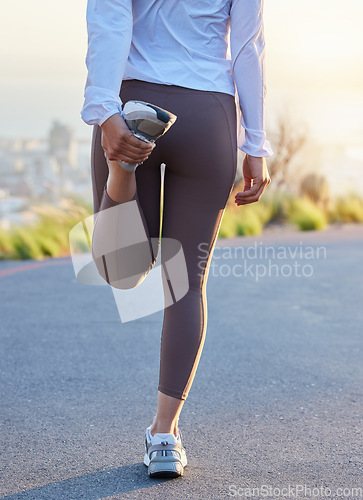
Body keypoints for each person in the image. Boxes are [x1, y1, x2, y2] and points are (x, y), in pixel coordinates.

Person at [81, 0, 272, 478]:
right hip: (208, 115)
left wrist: (105, 112)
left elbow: (109, 19)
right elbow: (249, 47)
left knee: (120, 270)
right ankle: (164, 435)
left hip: (134, 101)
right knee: (185, 284)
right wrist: (256, 144)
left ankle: (123, 172)